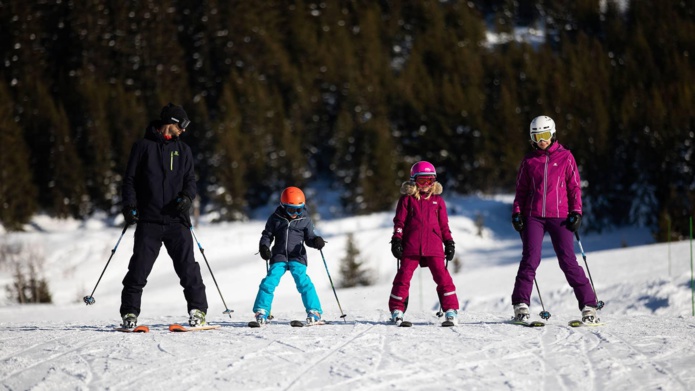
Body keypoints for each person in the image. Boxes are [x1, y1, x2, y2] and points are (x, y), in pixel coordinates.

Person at [119, 103, 208, 329]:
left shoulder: (184, 150)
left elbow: (190, 180)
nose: (184, 130)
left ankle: (198, 311)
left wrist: (187, 198)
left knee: (189, 269)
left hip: (177, 220)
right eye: (182, 125)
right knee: (138, 269)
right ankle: (129, 314)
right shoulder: (142, 147)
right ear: (170, 122)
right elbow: (129, 180)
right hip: (149, 220)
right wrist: (129, 206)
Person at [510, 115, 599, 324]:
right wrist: (517, 213)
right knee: (530, 258)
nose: (542, 140)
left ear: (553, 134)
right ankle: (520, 305)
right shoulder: (529, 160)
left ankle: (589, 305)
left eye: (545, 135)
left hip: (560, 216)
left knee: (568, 261)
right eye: (537, 136)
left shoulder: (566, 157)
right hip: (533, 216)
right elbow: (521, 190)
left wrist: (576, 212)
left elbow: (574, 187)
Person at [388, 161, 460, 325]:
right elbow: (399, 223)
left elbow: (444, 226)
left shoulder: (438, 201)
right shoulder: (407, 200)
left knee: (443, 278)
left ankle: (451, 311)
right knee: (403, 277)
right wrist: (396, 239)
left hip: (434, 246)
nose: (426, 185)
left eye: (429, 181)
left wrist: (449, 242)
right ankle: (397, 310)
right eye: (422, 181)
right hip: (411, 246)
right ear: (414, 181)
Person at [253, 186, 326, 325]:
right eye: (292, 210)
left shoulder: (305, 219)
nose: (295, 213)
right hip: (279, 256)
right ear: (283, 205)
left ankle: (314, 311)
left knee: (303, 282)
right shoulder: (275, 218)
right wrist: (264, 247)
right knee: (269, 282)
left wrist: (316, 241)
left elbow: (309, 237)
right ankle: (262, 310)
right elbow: (267, 235)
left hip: (297, 256)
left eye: (299, 209)